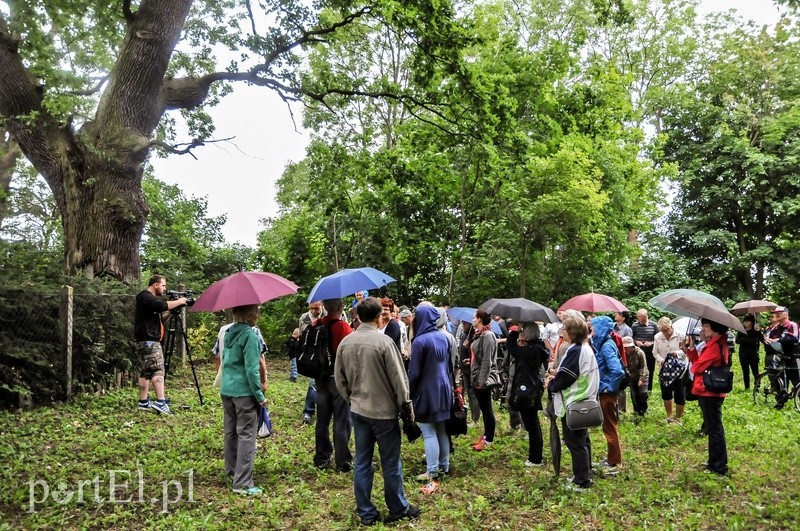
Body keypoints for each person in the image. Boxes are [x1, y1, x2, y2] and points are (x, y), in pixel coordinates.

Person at [335, 297, 420, 525]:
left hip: (358, 410)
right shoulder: (384, 344)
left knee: (362, 461)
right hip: (384, 414)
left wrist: (351, 399)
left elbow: (339, 379)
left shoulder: (346, 343)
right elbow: (399, 380)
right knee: (391, 462)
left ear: (357, 316)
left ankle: (366, 512)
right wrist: (406, 406)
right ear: (379, 316)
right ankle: (398, 508)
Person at [546, 311, 599, 491]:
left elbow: (567, 376)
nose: (562, 333)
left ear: (572, 332)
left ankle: (582, 480)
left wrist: (552, 383)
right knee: (582, 441)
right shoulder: (586, 347)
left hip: (574, 401)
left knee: (575, 442)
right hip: (583, 399)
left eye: (565, 330)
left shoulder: (575, 350)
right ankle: (585, 473)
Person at [219, 304, 268, 495]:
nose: (258, 315)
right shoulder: (249, 335)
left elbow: (224, 359)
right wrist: (260, 395)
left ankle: (232, 472)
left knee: (230, 432)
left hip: (227, 389)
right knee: (247, 435)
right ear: (250, 315)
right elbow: (251, 369)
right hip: (243, 393)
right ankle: (243, 483)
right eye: (256, 312)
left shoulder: (228, 332)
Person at [407, 304, 453, 493]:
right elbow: (450, 364)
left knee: (428, 431)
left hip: (427, 390)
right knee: (441, 429)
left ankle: (432, 470)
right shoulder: (444, 338)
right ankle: (444, 466)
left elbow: (415, 372)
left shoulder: (420, 341)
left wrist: (409, 391)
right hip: (444, 388)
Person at [133, 274, 186, 414]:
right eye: (163, 285)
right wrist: (180, 301)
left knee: (146, 371)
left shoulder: (149, 301)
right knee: (157, 370)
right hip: (149, 340)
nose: (164, 288)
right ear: (155, 285)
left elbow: (159, 318)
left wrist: (171, 312)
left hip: (145, 340)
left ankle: (143, 402)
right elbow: (161, 305)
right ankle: (160, 402)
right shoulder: (145, 297)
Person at [313, 298, 354, 471]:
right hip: (338, 378)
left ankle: (322, 457)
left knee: (322, 420)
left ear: (324, 307)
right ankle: (342, 460)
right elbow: (351, 352)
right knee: (341, 420)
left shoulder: (316, 324)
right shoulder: (343, 327)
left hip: (320, 377)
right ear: (340, 307)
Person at [685, 318, 730, 476]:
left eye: (706, 327)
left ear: (715, 329)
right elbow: (698, 363)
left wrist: (694, 352)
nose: (702, 330)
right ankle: (714, 462)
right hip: (707, 390)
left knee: (715, 429)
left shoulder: (714, 346)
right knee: (713, 428)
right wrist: (691, 350)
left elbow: (697, 367)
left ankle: (718, 466)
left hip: (709, 392)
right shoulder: (713, 344)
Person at [508, 323, 550, 467]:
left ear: (526, 335)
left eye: (522, 332)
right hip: (532, 389)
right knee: (533, 424)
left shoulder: (531, 350)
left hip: (528, 392)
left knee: (532, 425)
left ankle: (535, 458)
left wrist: (514, 332)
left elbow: (512, 349)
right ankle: (535, 456)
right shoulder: (538, 347)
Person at [590, 315, 626, 476]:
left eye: (594, 328)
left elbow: (617, 371)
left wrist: (607, 387)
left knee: (610, 426)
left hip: (607, 393)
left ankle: (615, 462)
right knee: (608, 426)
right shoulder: (603, 344)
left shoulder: (606, 346)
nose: (592, 331)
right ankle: (612, 458)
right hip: (604, 391)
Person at [470, 310, 501, 451]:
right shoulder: (479, 334)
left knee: (487, 409)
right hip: (477, 375)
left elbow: (487, 361)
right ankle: (485, 435)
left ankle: (489, 439)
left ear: (480, 319)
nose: (472, 320)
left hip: (482, 379)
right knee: (484, 408)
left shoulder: (488, 335)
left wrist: (481, 381)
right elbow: (480, 356)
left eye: (474, 317)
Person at [653, 316, 688, 425]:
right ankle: (669, 416)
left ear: (671, 327)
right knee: (666, 393)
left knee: (679, 393)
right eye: (662, 331)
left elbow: (686, 351)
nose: (665, 333)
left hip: (679, 369)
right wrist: (661, 360)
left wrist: (676, 353)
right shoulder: (658, 337)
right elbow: (655, 352)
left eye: (666, 330)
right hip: (665, 369)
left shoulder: (681, 335)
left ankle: (678, 418)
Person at [764, 306, 800, 400]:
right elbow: (769, 337)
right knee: (781, 380)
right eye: (776, 312)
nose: (777, 314)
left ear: (786, 314)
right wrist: (768, 340)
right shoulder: (775, 328)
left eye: (780, 312)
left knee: (796, 380)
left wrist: (778, 340)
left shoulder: (792, 325)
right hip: (780, 356)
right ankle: (780, 401)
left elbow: (795, 338)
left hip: (793, 356)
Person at [298, 301, 324, 424]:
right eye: (312, 308)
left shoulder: (328, 315)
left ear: (322, 306)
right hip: (312, 355)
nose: (314, 311)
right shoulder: (304, 318)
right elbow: (301, 335)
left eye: (316, 308)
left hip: (326, 353)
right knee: (313, 383)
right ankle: (308, 411)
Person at [456, 320, 481, 426]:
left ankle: (476, 418)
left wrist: (470, 358)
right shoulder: (464, 335)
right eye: (462, 323)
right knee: (467, 394)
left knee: (472, 394)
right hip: (464, 369)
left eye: (465, 323)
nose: (463, 325)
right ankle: (472, 417)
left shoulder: (475, 337)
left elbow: (478, 354)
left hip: (472, 370)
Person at [631, 309, 659, 391]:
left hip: (649, 351)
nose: (638, 318)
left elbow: (658, 338)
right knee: (638, 369)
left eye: (640, 316)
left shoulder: (653, 325)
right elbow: (631, 337)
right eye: (638, 316)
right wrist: (636, 341)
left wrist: (651, 343)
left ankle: (649, 388)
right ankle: (638, 387)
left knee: (650, 369)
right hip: (638, 351)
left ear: (645, 316)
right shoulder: (635, 325)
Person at [622, 336, 649, 416]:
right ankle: (636, 411)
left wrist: (641, 379)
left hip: (642, 376)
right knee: (634, 395)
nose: (626, 349)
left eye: (627, 347)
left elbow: (643, 367)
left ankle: (644, 410)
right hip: (632, 376)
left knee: (642, 394)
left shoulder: (640, 353)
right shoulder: (624, 354)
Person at [735, 315, 763, 390]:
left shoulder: (755, 331)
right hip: (743, 353)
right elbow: (737, 340)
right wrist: (746, 340)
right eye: (744, 321)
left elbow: (755, 340)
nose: (745, 323)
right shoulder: (741, 330)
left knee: (755, 370)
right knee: (745, 371)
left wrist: (758, 331)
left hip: (753, 352)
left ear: (751, 323)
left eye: (747, 321)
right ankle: (747, 387)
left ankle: (757, 386)